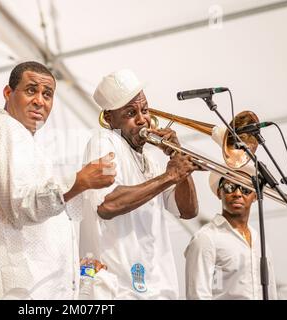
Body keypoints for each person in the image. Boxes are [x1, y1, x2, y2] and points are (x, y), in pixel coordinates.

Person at [0, 61, 115, 299]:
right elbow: (21, 205)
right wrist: (79, 182)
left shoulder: (28, 143)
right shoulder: (2, 129)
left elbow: (50, 221)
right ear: (8, 92)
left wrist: (78, 267)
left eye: (48, 94)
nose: (40, 101)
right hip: (11, 291)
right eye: (31, 90)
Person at [80, 69, 201, 299]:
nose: (142, 119)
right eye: (130, 113)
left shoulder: (151, 162)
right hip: (119, 289)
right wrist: (168, 177)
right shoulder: (103, 142)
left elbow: (188, 211)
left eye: (144, 110)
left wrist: (178, 156)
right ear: (109, 118)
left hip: (157, 290)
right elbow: (107, 205)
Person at [184, 168, 278, 300]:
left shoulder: (260, 241)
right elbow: (197, 296)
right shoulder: (206, 238)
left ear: (255, 196)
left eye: (245, 188)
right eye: (230, 187)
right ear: (219, 192)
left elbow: (271, 292)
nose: (238, 193)